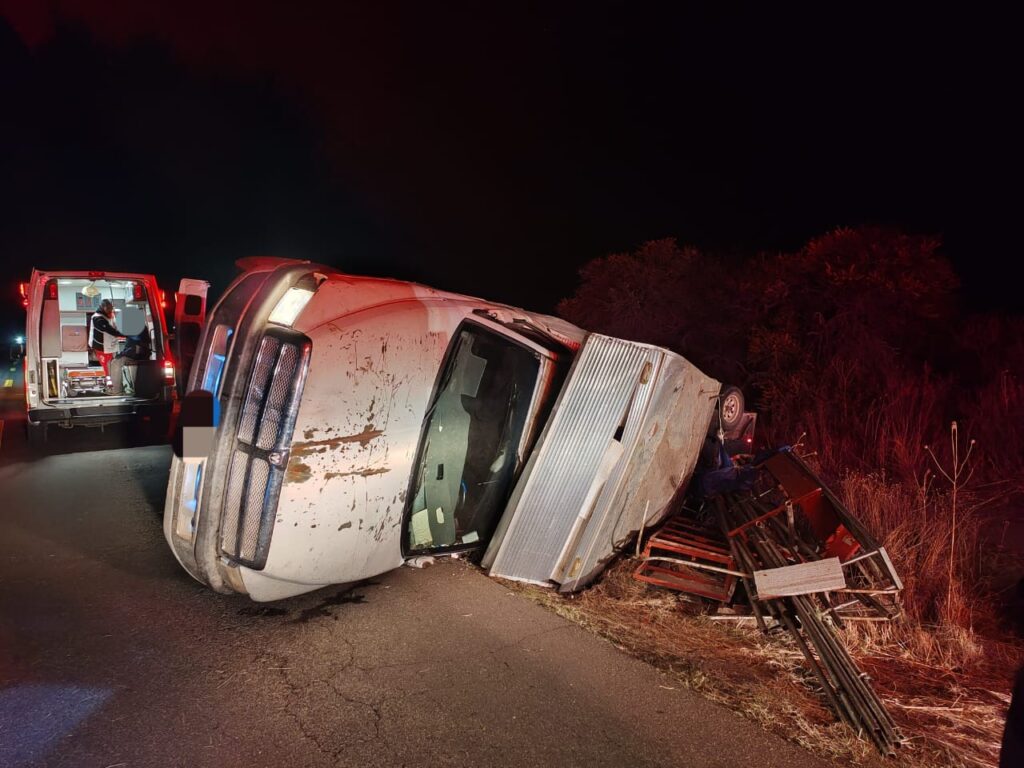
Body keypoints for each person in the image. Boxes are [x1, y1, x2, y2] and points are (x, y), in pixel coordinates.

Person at [89, 300, 125, 394]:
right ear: (103, 307)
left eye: (111, 309)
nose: (110, 311)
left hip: (110, 346)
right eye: (108, 309)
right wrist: (122, 334)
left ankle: (113, 386)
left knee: (111, 366)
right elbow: (107, 329)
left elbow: (114, 325)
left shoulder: (110, 314)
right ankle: (110, 387)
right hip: (101, 347)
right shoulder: (97, 318)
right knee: (107, 368)